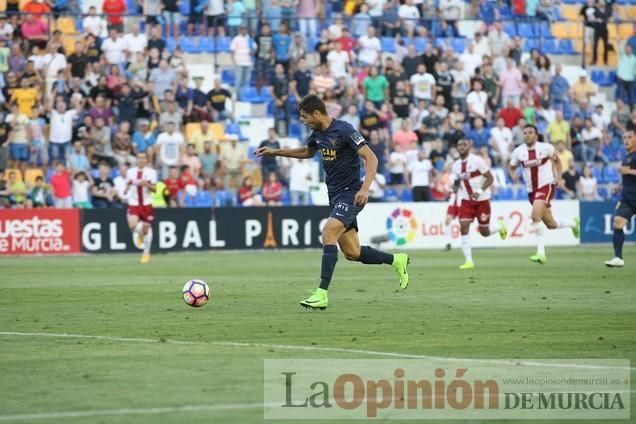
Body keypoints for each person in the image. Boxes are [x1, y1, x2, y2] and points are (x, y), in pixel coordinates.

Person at [256, 94, 410, 310]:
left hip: (352, 194)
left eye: (305, 116)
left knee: (328, 232)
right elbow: (307, 152)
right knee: (352, 253)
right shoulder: (317, 133)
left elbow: (371, 157)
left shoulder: (345, 130)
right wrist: (275, 152)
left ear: (317, 113)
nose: (303, 120)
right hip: (335, 195)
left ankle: (321, 294)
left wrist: (365, 188)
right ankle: (397, 260)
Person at [509, 125, 580, 264]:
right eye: (525, 133)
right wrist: (513, 176)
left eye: (530, 132)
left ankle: (541, 253)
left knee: (535, 216)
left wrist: (558, 177)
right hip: (531, 191)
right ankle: (573, 223)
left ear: (536, 135)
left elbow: (557, 162)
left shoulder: (546, 148)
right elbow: (511, 167)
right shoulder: (518, 152)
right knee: (551, 224)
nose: (527, 135)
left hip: (546, 186)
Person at [451, 138, 507, 269]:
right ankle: (468, 261)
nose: (461, 147)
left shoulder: (477, 161)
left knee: (484, 232)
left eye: (464, 144)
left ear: (469, 146)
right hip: (466, 200)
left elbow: (490, 177)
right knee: (463, 226)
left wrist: (480, 190)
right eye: (459, 145)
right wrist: (452, 190)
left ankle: (499, 226)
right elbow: (457, 182)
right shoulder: (456, 165)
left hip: (482, 200)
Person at [605, 130, 636, 267]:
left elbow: (629, 172)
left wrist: (628, 171)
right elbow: (628, 176)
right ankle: (618, 258)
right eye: (624, 137)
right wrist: (620, 185)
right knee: (617, 223)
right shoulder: (627, 156)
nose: (626, 140)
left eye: (630, 137)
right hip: (628, 198)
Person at [125, 151, 157, 264]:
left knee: (146, 230)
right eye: (139, 158)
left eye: (143, 158)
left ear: (146, 160)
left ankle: (146, 254)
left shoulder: (151, 173)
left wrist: (146, 184)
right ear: (136, 160)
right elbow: (128, 185)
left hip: (147, 204)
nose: (141, 160)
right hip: (134, 203)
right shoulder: (130, 172)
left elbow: (155, 189)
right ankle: (141, 233)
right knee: (133, 226)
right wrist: (126, 190)